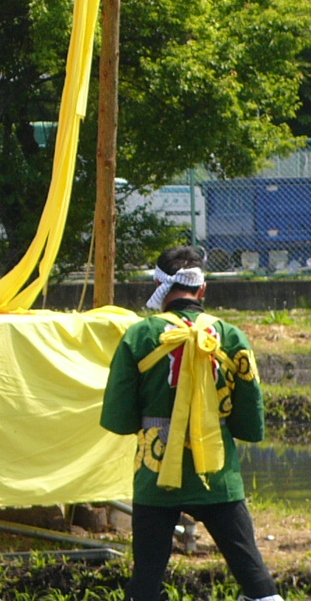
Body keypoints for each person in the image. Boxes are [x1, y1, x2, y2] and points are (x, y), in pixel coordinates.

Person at [100, 246, 282, 601]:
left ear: (158, 284)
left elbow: (119, 419)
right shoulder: (231, 337)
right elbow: (250, 426)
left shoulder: (139, 337)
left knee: (146, 581)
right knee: (254, 577)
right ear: (203, 289)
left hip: (156, 474)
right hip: (217, 475)